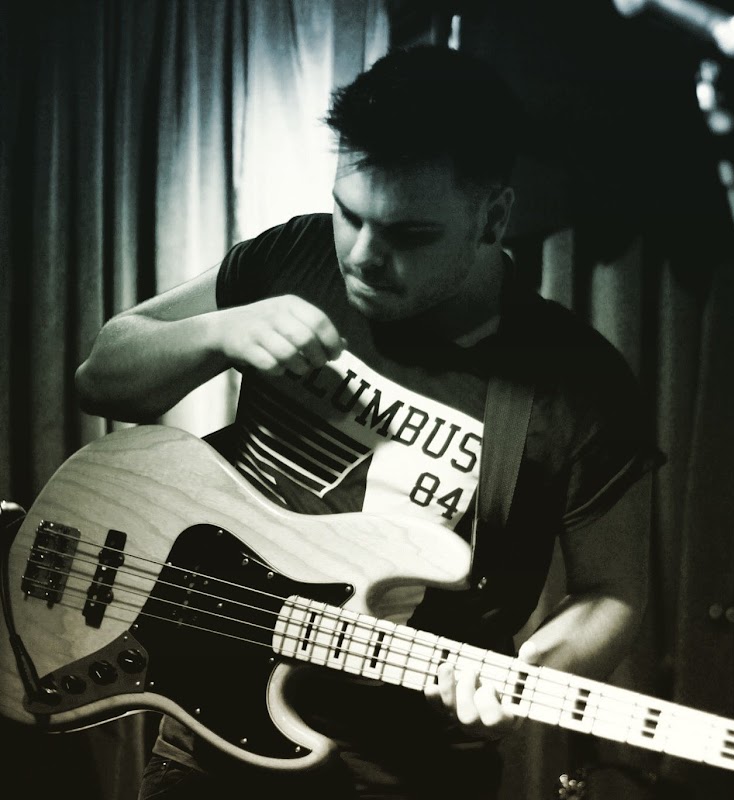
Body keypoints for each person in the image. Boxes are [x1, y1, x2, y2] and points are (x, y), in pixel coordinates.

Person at [76, 44, 660, 800]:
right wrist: (217, 331)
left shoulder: (580, 382)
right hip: (209, 735)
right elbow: (103, 376)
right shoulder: (295, 255)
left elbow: (613, 592)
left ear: (492, 216)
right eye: (349, 214)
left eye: (410, 235)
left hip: (410, 768)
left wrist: (527, 675)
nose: (363, 255)